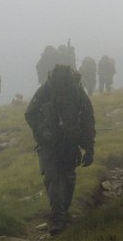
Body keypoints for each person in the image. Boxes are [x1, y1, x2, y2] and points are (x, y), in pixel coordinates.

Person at [25, 64, 95, 235]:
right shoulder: (46, 90)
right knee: (52, 178)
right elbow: (30, 113)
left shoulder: (77, 92)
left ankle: (63, 211)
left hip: (70, 143)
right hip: (48, 143)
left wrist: (89, 148)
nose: (61, 90)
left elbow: (87, 121)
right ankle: (59, 218)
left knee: (68, 177)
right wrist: (42, 131)